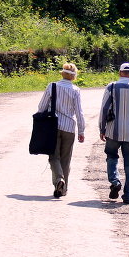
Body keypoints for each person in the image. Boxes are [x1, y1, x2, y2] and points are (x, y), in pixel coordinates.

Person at [98, 62, 129, 205]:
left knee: (111, 156)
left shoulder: (111, 87)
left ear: (120, 73)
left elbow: (104, 109)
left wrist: (102, 128)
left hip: (113, 131)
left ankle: (115, 180)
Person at [37, 62, 86, 198]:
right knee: (66, 159)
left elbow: (41, 107)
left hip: (53, 126)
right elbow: (79, 112)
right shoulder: (76, 90)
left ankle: (59, 180)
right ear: (74, 76)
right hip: (69, 128)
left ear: (62, 73)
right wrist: (81, 130)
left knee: (54, 157)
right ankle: (62, 190)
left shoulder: (52, 86)